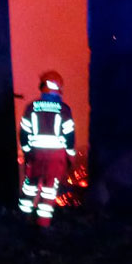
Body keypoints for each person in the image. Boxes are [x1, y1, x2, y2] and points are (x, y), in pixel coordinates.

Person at [18, 70, 77, 228]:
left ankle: (23, 219)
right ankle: (43, 224)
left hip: (35, 154)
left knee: (30, 186)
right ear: (59, 88)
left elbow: (24, 133)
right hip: (56, 157)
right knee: (49, 190)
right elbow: (69, 136)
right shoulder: (64, 109)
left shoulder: (32, 107)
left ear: (42, 86)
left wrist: (27, 150)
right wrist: (70, 156)